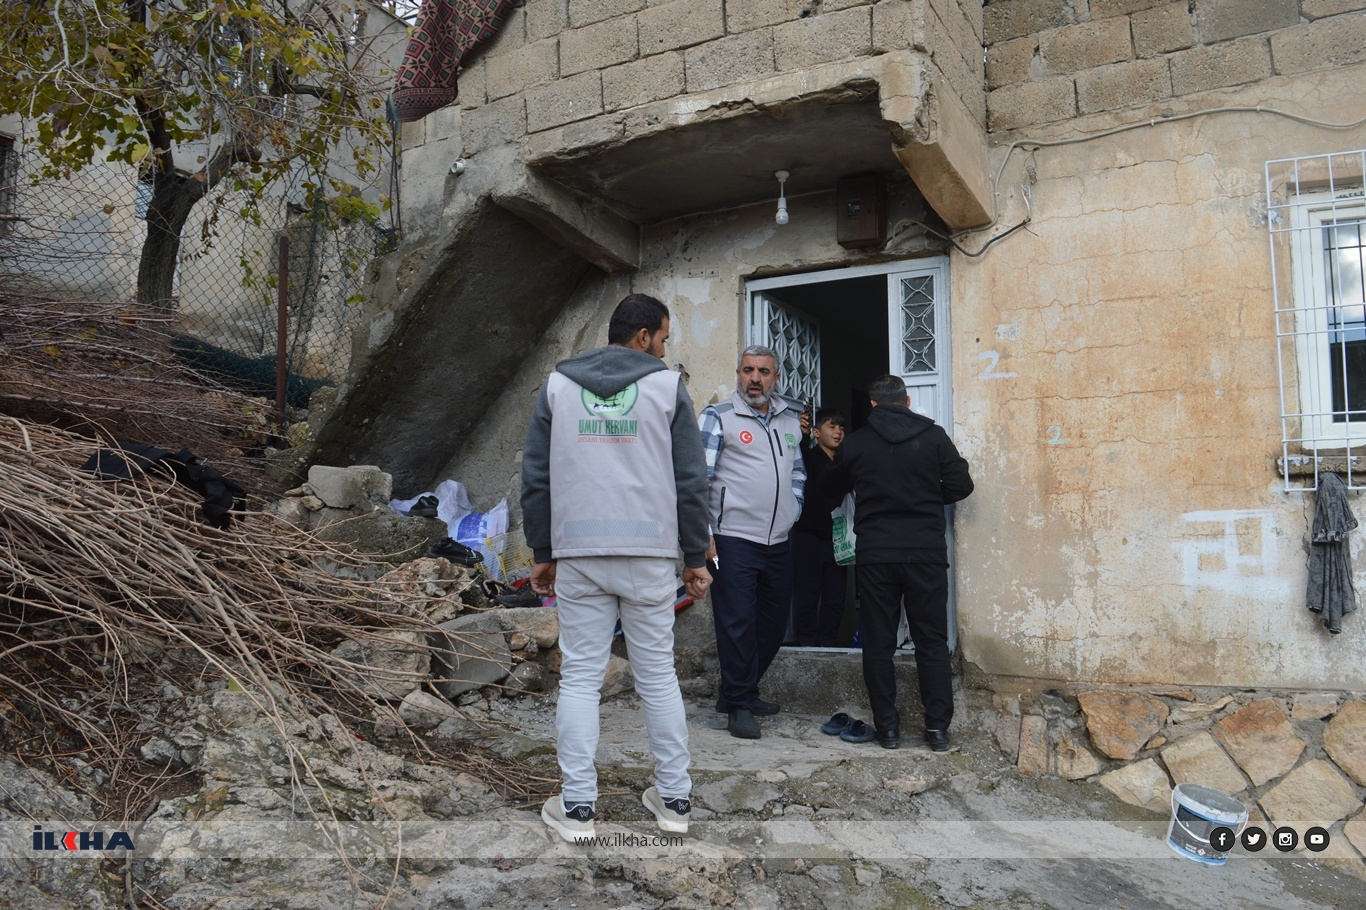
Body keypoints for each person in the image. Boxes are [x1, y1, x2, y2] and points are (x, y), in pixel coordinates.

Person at [521, 293, 712, 842]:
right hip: (649, 553)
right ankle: (674, 799)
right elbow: (690, 480)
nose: (664, 348)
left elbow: (537, 477)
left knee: (580, 677)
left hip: (579, 552)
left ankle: (578, 807)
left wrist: (542, 553)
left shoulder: (557, 386)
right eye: (665, 338)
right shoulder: (666, 387)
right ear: (643, 335)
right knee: (658, 676)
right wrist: (694, 557)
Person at [824, 375, 973, 752]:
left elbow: (829, 488)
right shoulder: (934, 437)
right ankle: (937, 732)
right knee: (931, 643)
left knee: (878, 644)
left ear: (872, 405)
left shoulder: (856, 443)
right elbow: (961, 485)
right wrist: (924, 493)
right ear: (907, 402)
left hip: (876, 556)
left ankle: (888, 731)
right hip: (924, 553)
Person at [699, 345, 806, 739]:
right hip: (731, 540)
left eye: (763, 371)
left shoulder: (790, 421)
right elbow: (698, 481)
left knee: (775, 624)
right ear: (739, 373)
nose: (755, 378)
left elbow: (798, 471)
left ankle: (736, 690)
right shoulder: (718, 418)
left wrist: (794, 508)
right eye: (748, 370)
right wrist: (702, 534)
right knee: (737, 623)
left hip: (778, 540)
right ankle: (740, 704)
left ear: (775, 377)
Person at [792, 408, 849, 647]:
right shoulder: (809, 457)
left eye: (841, 428)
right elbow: (797, 454)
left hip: (839, 537)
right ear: (816, 432)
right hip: (808, 536)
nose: (838, 432)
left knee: (835, 596)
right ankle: (805, 641)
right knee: (807, 593)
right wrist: (802, 435)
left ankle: (828, 642)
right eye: (831, 426)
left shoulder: (845, 460)